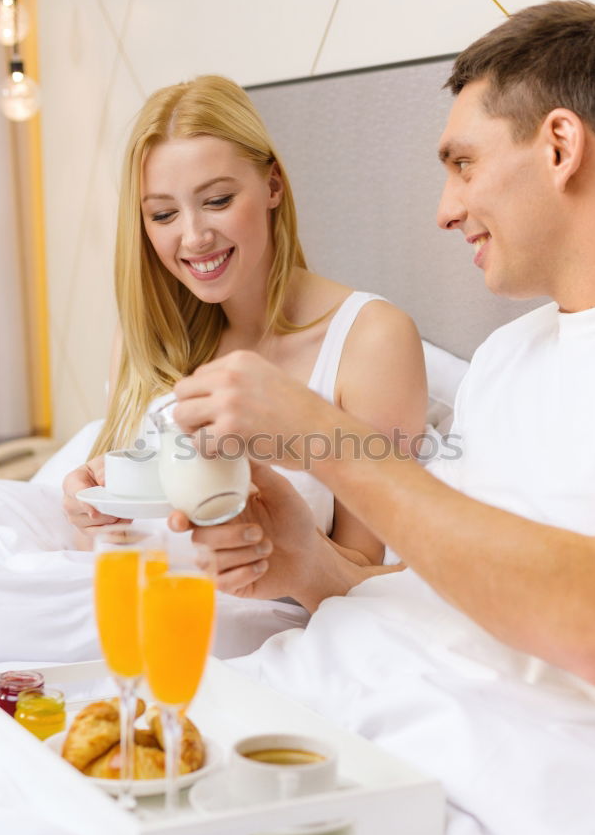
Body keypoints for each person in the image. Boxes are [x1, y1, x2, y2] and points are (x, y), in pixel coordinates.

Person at [169, 1, 595, 689]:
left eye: (463, 164)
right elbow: (431, 591)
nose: (444, 210)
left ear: (559, 147)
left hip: (464, 747)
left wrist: (323, 439)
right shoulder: (508, 356)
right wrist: (306, 563)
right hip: (337, 690)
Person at [61, 75, 427, 570]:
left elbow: (367, 571)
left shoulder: (372, 340)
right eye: (164, 214)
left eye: (216, 201)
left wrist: (273, 542)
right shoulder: (146, 338)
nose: (193, 238)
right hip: (143, 604)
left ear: (272, 185)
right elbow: (119, 544)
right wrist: (95, 511)